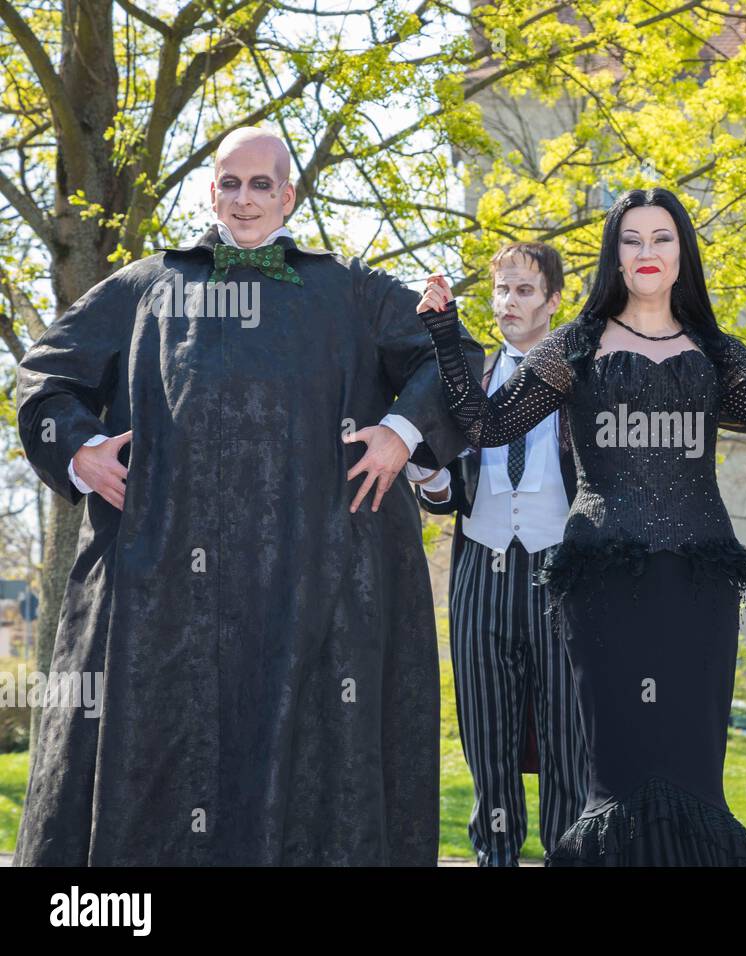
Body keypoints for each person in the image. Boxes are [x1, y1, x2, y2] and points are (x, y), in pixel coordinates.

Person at [14, 127, 484, 865]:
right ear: (209, 192)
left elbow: (452, 361)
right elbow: (45, 374)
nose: (244, 198)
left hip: (316, 590)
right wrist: (79, 450)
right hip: (163, 591)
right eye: (229, 183)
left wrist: (400, 430)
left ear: (289, 195)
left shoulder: (352, 289)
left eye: (261, 184)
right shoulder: (143, 287)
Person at [418, 187, 746, 866]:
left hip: (700, 584)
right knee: (618, 771)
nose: (647, 252)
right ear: (614, 254)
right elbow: (488, 424)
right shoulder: (576, 344)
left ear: (682, 252)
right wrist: (441, 329)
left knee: (695, 771)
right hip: (602, 584)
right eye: (632, 240)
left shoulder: (715, 349)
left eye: (661, 238)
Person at [409, 241, 588, 865]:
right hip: (480, 573)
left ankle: (568, 858)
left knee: (569, 737)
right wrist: (427, 477)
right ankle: (496, 858)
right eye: (502, 291)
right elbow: (448, 490)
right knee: (487, 736)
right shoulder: (469, 381)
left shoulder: (579, 379)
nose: (509, 303)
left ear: (554, 301)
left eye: (525, 291)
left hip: (562, 572)